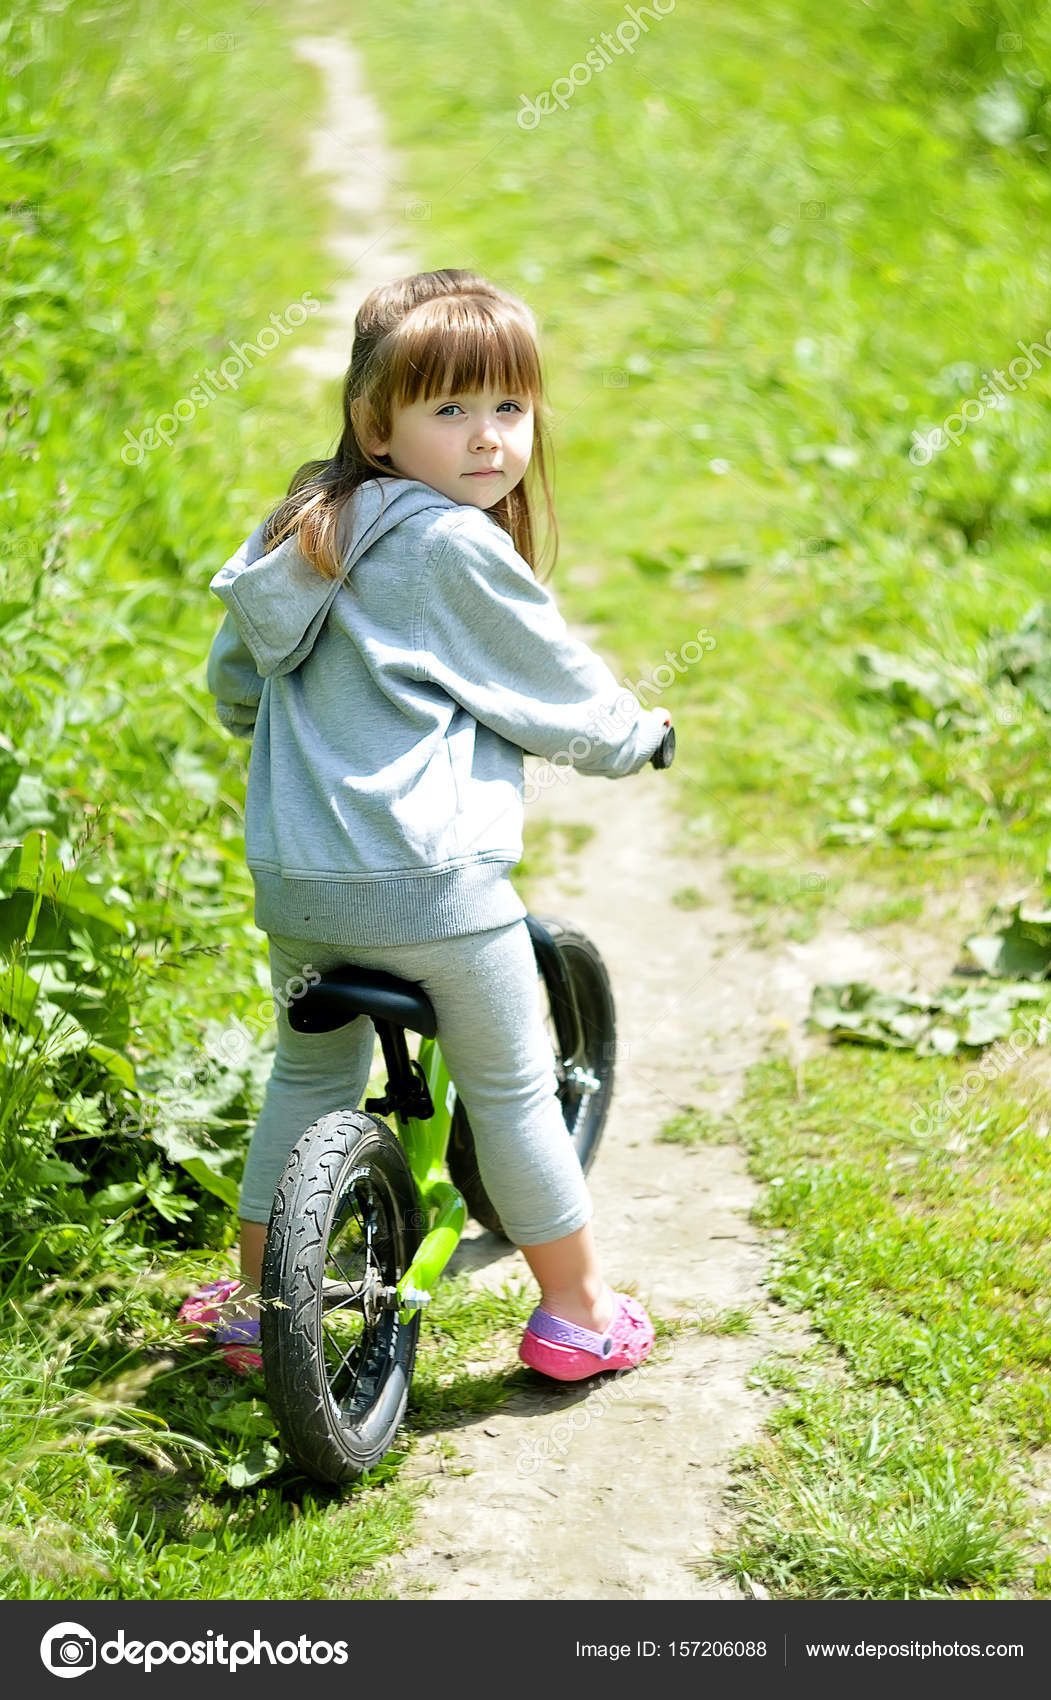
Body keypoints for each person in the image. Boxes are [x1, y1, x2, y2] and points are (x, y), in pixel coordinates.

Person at [182, 268, 672, 1381]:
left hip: (299, 887)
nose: (488, 438)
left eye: (508, 406)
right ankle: (577, 1312)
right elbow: (548, 686)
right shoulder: (453, 545)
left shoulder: (297, 522)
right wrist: (633, 737)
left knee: (305, 1081)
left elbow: (235, 685)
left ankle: (258, 1307)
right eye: (450, 409)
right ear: (379, 424)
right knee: (509, 1086)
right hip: (433, 892)